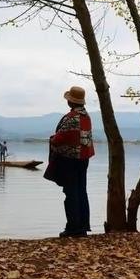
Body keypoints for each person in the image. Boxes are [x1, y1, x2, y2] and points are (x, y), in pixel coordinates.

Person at [47, 86, 94, 238]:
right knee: (81, 192)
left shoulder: (71, 117)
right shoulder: (86, 116)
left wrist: (52, 139)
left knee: (71, 193)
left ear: (71, 102)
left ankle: (73, 228)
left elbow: (60, 138)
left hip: (70, 161)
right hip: (83, 159)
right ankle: (82, 226)